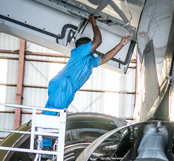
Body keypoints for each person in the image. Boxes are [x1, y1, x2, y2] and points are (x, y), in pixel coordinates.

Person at [41, 15, 131, 149]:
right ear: (84, 47)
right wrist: (93, 23)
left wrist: (121, 44)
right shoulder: (78, 52)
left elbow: (105, 58)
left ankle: (46, 143)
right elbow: (98, 41)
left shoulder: (89, 61)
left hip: (69, 87)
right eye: (90, 47)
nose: (93, 50)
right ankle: (45, 145)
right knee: (53, 109)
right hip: (63, 83)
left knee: (57, 112)